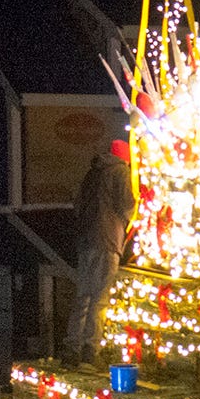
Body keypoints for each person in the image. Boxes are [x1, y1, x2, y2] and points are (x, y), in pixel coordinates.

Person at [67, 140, 132, 367]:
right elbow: (127, 205)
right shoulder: (121, 171)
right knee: (100, 297)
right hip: (107, 239)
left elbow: (78, 205)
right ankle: (91, 350)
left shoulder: (93, 172)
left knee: (82, 295)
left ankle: (71, 347)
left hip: (86, 240)